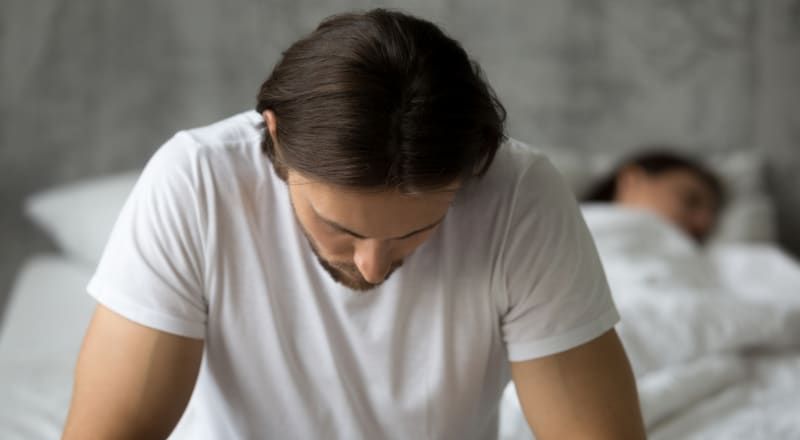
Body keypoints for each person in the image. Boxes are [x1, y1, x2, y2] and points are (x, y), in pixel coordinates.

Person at [62, 9, 645, 440]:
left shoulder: (520, 193)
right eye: (342, 227)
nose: (374, 265)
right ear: (278, 137)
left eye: (415, 230)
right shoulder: (195, 181)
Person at [583, 150, 725, 243]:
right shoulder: (575, 232)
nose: (702, 223)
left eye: (712, 215)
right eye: (691, 201)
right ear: (632, 180)